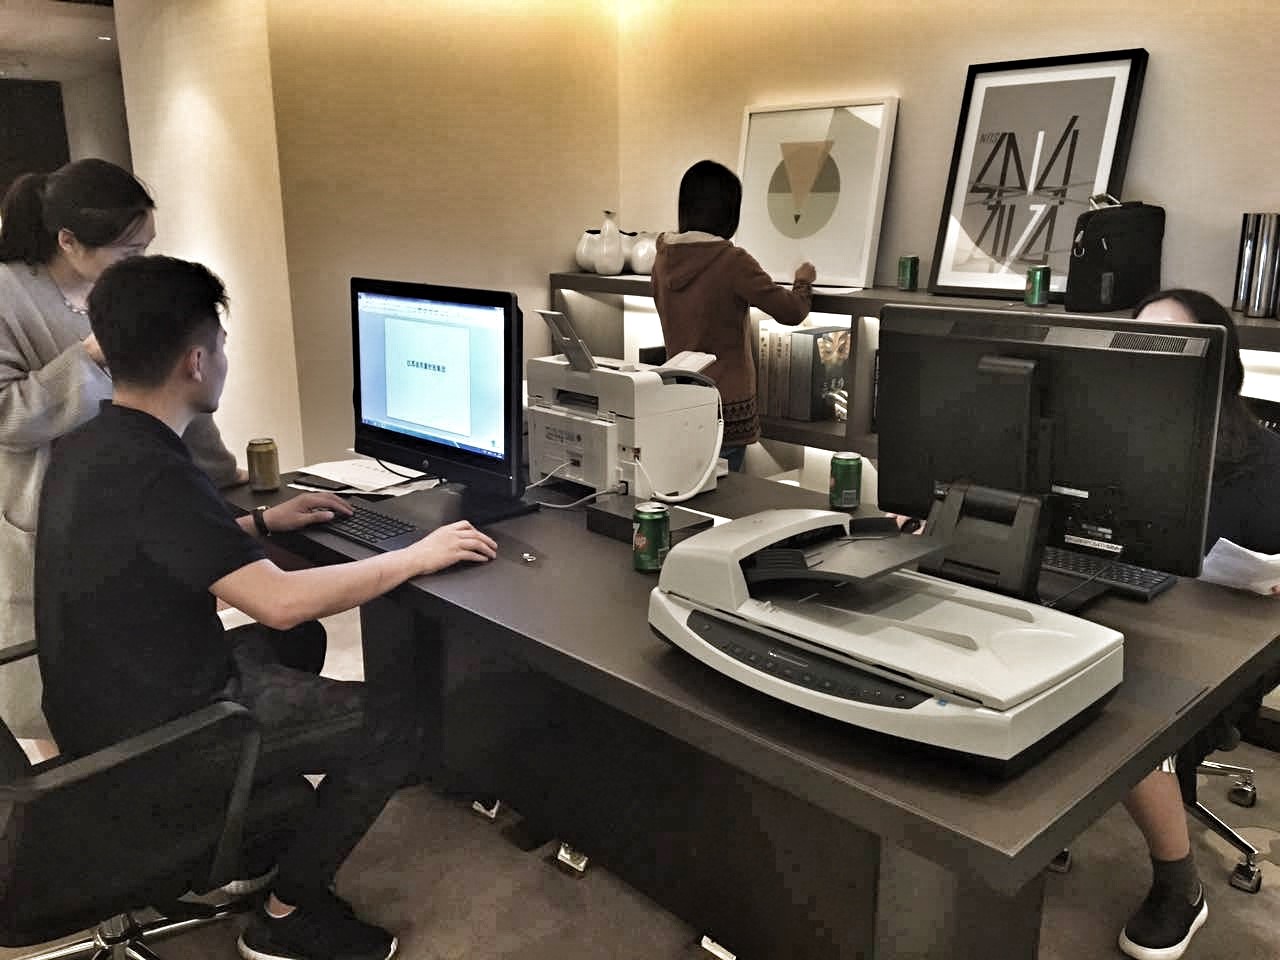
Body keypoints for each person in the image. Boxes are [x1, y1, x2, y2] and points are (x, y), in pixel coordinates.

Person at [35, 255, 499, 960]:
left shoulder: (95, 443)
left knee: (299, 643)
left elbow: (160, 542)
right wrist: (417, 555)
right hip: (166, 729)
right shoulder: (155, 468)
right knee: (395, 721)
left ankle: (252, 830)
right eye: (220, 345)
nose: (223, 360)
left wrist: (260, 524)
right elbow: (277, 601)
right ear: (196, 361)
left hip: (100, 709)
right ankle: (288, 915)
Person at [0, 159, 246, 749]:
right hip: (55, 503)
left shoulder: (121, 290)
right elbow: (7, 417)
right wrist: (90, 356)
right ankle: (92, 780)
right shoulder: (9, 296)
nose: (140, 261)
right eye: (129, 250)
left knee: (153, 638)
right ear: (68, 241)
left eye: (147, 246)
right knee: (72, 673)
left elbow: (176, 383)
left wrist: (223, 483)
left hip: (137, 488)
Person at [1115, 288, 1280, 960]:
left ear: (1216, 361)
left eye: (1168, 346)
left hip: (1229, 642)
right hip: (1135, 611)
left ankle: (1179, 886)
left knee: (1120, 712)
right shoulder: (1116, 434)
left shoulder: (1262, 460)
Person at [651, 159, 816, 473]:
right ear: (729, 212)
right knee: (726, 493)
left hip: (680, 400)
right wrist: (803, 282)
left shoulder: (662, 258)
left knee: (691, 488)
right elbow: (791, 312)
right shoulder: (731, 261)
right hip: (726, 408)